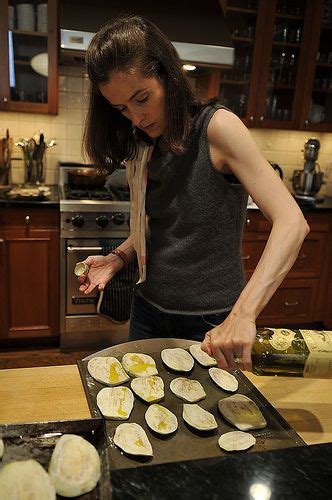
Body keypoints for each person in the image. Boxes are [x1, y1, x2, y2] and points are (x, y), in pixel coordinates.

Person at [78, 15, 309, 372]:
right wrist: (120, 257)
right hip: (148, 308)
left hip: (211, 321)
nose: (136, 118)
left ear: (168, 76)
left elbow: (292, 222)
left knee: (211, 422)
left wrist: (243, 315)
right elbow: (167, 223)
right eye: (122, 108)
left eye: (142, 98)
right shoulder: (144, 141)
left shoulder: (217, 128)